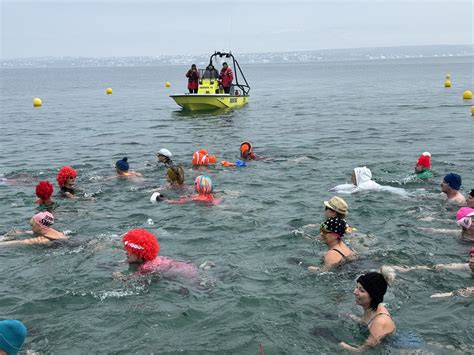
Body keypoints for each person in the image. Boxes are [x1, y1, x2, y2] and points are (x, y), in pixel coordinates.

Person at [339, 266, 396, 352]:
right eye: (356, 287)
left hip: (403, 348)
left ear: (373, 296)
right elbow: (368, 322)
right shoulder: (374, 308)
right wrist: (353, 318)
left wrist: (342, 345)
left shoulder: (380, 321)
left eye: (361, 291)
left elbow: (359, 351)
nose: (355, 292)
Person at [117, 228, 198, 280]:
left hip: (186, 275)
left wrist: (122, 278)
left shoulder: (147, 266)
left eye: (129, 250)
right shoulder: (145, 259)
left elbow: (136, 280)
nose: (126, 252)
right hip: (185, 267)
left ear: (139, 253)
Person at [0, 211, 68, 246]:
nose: (30, 225)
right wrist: (22, 233)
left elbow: (20, 242)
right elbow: (35, 231)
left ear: (39, 226)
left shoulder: (44, 239)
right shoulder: (58, 232)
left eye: (32, 223)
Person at [331, 167, 407, 196]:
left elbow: (352, 193)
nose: (351, 178)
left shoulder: (364, 185)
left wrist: (337, 191)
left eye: (353, 176)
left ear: (359, 176)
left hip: (394, 192)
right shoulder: (367, 183)